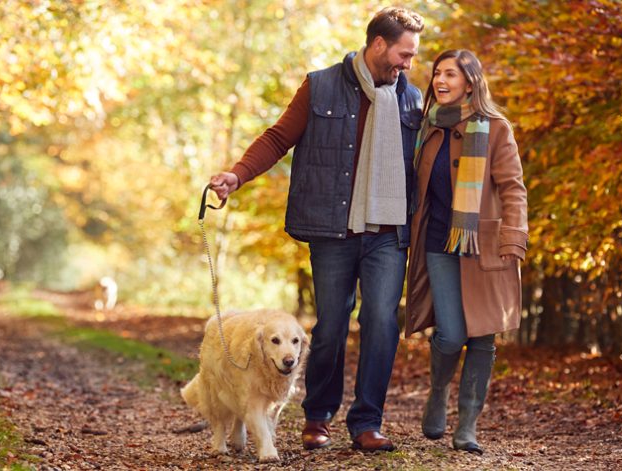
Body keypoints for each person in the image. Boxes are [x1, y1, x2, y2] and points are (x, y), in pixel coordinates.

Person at [208, 7, 424, 452]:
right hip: (333, 228)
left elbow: (431, 159)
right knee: (330, 326)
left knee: (382, 321)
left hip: (388, 231)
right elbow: (277, 137)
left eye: (413, 57)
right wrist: (237, 175)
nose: (408, 64)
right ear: (378, 45)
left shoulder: (412, 99)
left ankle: (367, 422)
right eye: (404, 54)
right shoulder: (320, 85)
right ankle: (318, 416)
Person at [405, 49, 528, 454]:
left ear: (470, 82)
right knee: (451, 333)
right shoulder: (426, 128)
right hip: (440, 242)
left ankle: (468, 427)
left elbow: (512, 188)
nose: (440, 80)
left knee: (482, 339)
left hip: (485, 247)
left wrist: (514, 236)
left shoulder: (495, 129)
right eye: (437, 73)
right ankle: (438, 392)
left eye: (451, 75)